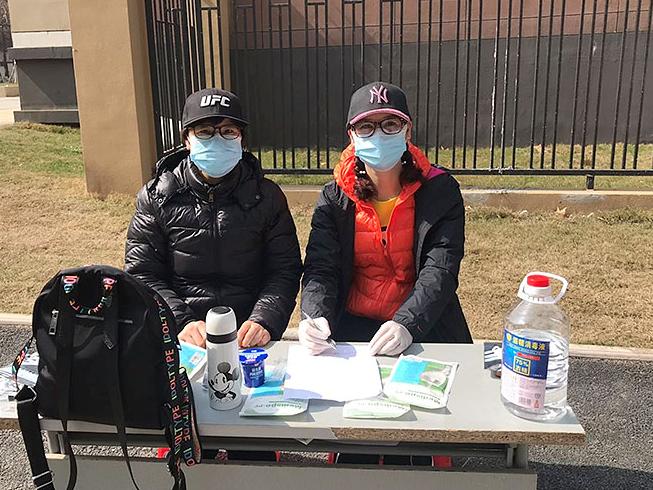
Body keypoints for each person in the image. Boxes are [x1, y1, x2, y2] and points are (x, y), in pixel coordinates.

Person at [299, 81, 472, 356]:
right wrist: (315, 315)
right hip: (352, 326)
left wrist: (407, 323)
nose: (378, 135)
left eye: (390, 124)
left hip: (423, 323)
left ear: (407, 131)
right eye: (366, 127)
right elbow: (321, 268)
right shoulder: (335, 197)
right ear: (352, 136)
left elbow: (440, 268)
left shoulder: (439, 190)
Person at [125, 87, 302, 350]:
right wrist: (181, 322)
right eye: (205, 132)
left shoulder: (267, 197)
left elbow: (284, 269)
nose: (217, 140)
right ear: (187, 139)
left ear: (241, 139)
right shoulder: (157, 197)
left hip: (248, 337)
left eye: (228, 131)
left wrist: (264, 319)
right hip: (184, 339)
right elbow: (142, 274)